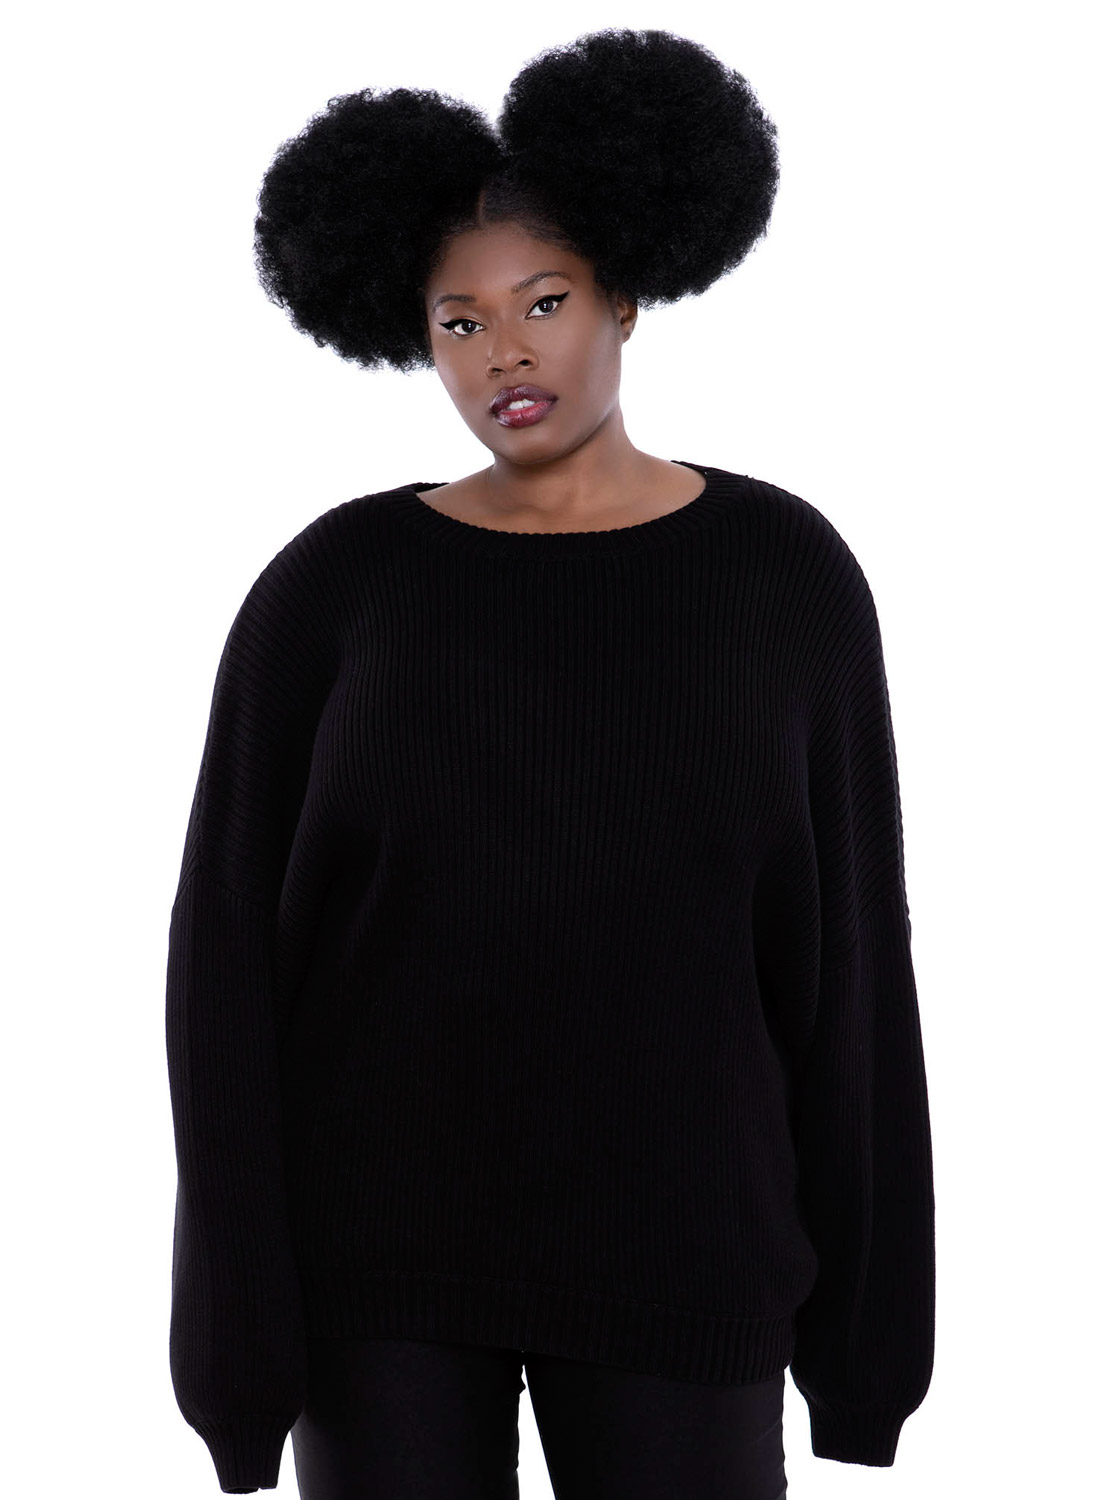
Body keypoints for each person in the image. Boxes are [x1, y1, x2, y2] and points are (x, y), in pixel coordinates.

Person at [164, 26, 935, 1498]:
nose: (503, 352)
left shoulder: (784, 575)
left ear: (627, 295)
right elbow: (225, 970)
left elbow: (849, 970)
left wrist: (868, 1349)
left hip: (688, 1253)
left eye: (544, 302)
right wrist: (236, 1350)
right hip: (380, 1271)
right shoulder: (336, 588)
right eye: (457, 321)